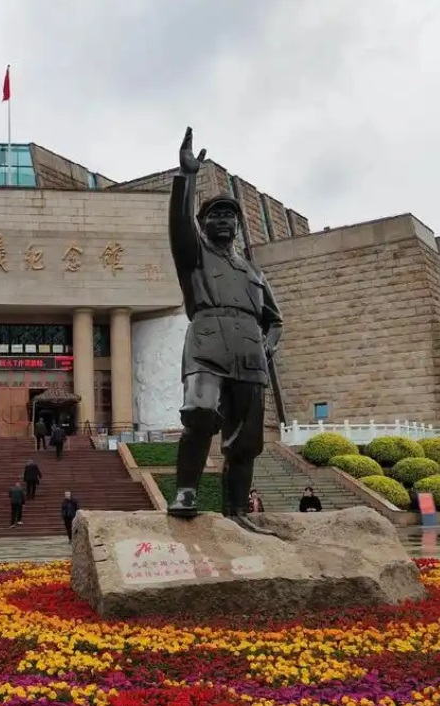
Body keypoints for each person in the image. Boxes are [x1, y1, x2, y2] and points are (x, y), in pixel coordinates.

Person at [164, 127, 283, 537]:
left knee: (246, 439)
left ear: (238, 225)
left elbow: (275, 320)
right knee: (199, 412)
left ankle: (237, 510)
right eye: (215, 215)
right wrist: (187, 177)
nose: (224, 220)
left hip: (249, 353)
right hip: (207, 342)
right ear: (203, 223)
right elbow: (179, 224)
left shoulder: (254, 272)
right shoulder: (194, 255)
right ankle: (185, 492)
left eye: (229, 216)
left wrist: (267, 348)